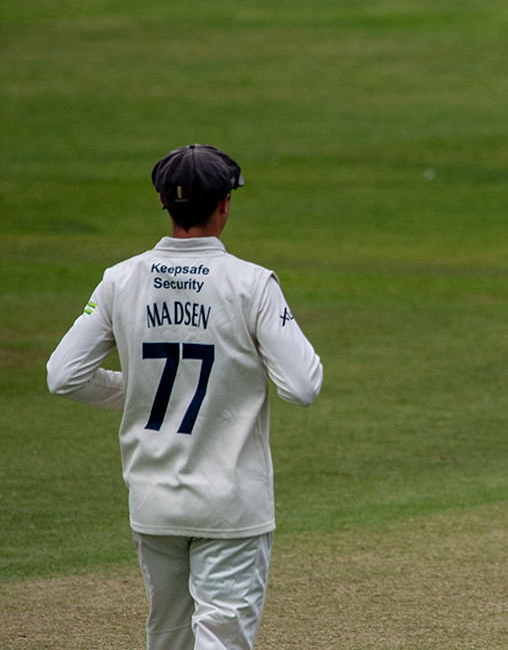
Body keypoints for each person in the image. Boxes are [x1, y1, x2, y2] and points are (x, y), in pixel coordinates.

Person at [47, 144, 324, 650]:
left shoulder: (120, 279)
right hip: (231, 505)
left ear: (162, 200)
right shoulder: (251, 284)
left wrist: (140, 390)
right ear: (224, 205)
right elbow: (302, 386)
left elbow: (64, 375)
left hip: (153, 503)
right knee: (220, 638)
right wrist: (233, 380)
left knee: (168, 637)